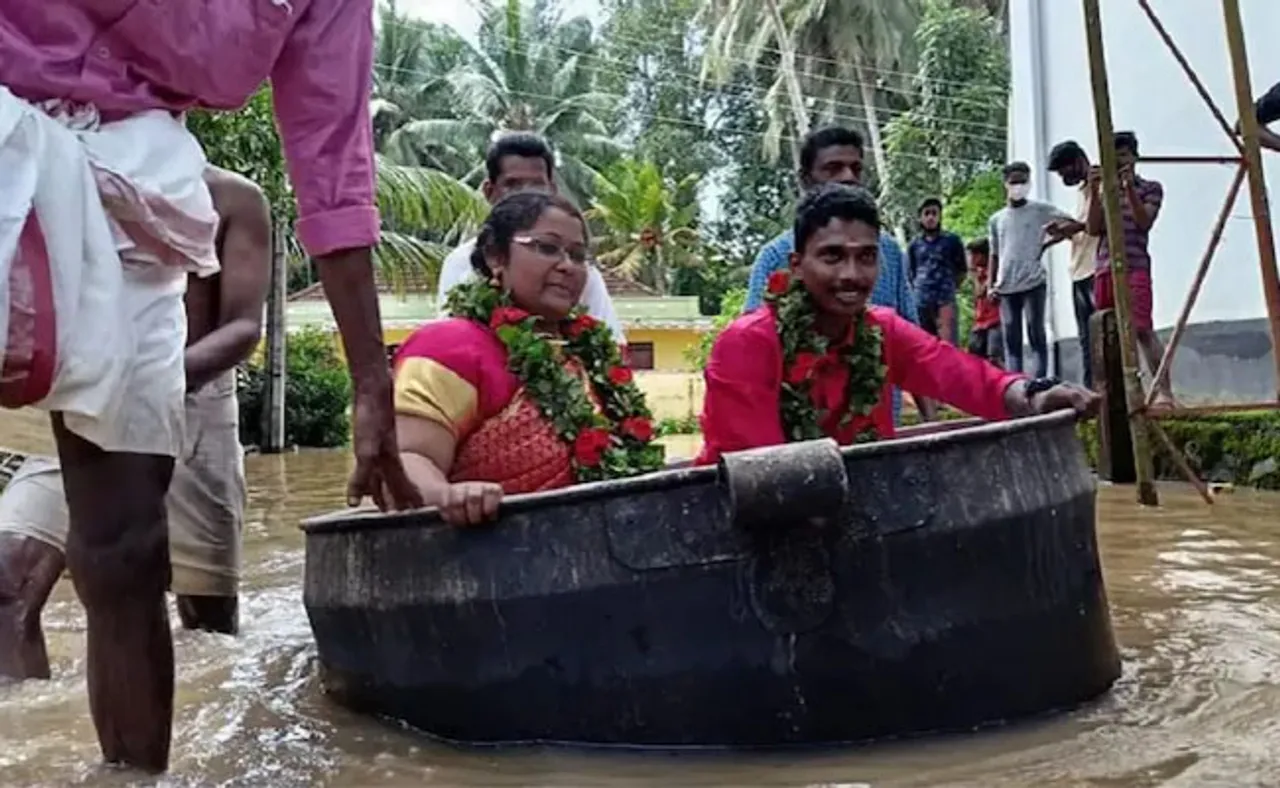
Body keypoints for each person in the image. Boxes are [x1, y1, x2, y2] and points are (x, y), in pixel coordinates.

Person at [1, 1, 420, 772]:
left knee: (129, 550)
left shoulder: (231, 198)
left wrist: (371, 379)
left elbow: (331, 166)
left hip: (135, 203)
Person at [0, 166, 267, 681]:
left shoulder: (233, 198)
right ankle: (28, 742)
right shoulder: (57, 172)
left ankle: (192, 740)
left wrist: (151, 381)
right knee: (7, 577)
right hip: (78, 399)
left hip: (193, 407)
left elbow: (242, 328)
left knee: (208, 623)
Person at [697, 184, 1099, 465]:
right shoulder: (747, 344)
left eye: (866, 256)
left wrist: (1033, 396)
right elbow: (765, 475)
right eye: (833, 256)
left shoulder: (880, 329)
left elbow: (960, 374)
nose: (852, 274)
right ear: (798, 267)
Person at [396, 191, 662, 526]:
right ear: (496, 255)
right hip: (489, 557)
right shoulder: (449, 347)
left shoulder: (592, 356)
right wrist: (447, 496)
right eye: (546, 247)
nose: (567, 266)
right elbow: (406, 458)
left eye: (578, 256)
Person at [743, 126, 928, 423]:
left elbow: (915, 349)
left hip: (877, 432)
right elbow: (752, 356)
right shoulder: (774, 257)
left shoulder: (889, 252)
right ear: (805, 180)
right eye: (833, 168)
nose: (848, 177)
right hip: (804, 437)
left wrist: (931, 427)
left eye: (856, 168)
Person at [436, 133, 626, 346]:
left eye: (537, 186)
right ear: (489, 191)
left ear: (552, 190)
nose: (526, 195)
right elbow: (452, 343)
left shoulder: (579, 270)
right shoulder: (461, 263)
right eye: (513, 185)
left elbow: (611, 348)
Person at [1085, 131, 1175, 408]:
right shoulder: (1103, 190)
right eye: (1114, 158)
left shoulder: (1150, 188)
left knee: (1142, 329)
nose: (1120, 162)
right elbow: (1093, 228)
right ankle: (1118, 395)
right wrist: (1094, 192)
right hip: (1104, 266)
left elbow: (1143, 221)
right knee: (1109, 330)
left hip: (1134, 265)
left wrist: (1128, 189)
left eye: (1124, 156)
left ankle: (1164, 391)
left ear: (1135, 157)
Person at [987, 162, 1074, 377]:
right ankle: (1015, 384)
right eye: (1014, 181)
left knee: (1036, 333)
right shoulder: (997, 219)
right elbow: (995, 253)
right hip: (1006, 286)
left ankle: (1040, 382)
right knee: (1011, 339)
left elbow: (1073, 224)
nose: (1018, 186)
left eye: (1023, 181)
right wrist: (990, 285)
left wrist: (1048, 242)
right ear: (1005, 184)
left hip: (1033, 282)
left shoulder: (1040, 210)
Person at [1045, 140, 1101, 389]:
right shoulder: (1082, 192)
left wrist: (1073, 226)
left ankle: (1103, 391)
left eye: (1063, 171)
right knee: (1086, 340)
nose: (1061, 178)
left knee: (1100, 338)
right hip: (1079, 272)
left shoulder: (1098, 185)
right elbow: (1084, 229)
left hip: (1096, 270)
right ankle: (1090, 391)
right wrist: (1065, 232)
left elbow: (1096, 225)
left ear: (1078, 161)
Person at [907, 197, 967, 343]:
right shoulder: (914, 244)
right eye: (926, 214)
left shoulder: (952, 241)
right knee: (924, 343)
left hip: (945, 299)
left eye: (934, 213)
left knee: (948, 345)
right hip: (922, 300)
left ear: (940, 216)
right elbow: (910, 273)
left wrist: (952, 287)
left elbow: (962, 270)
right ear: (920, 218)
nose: (930, 217)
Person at [965, 238, 1003, 367]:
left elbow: (981, 292)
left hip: (995, 320)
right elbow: (977, 294)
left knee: (995, 358)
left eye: (974, 255)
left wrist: (974, 273)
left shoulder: (994, 272)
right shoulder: (979, 273)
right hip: (980, 322)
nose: (971, 259)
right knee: (974, 357)